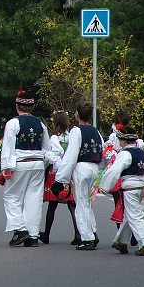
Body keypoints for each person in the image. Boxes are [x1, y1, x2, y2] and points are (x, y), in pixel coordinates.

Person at [98, 125, 144, 256]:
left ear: (123, 140)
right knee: (129, 214)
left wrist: (104, 187)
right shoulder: (141, 153)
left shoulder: (124, 154)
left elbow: (114, 171)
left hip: (130, 188)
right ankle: (121, 242)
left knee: (134, 215)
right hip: (140, 187)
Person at [1, 89, 52, 247]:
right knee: (34, 199)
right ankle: (33, 235)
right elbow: (47, 147)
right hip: (37, 164)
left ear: (17, 106)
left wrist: (6, 167)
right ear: (32, 106)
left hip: (20, 163)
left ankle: (20, 229)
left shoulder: (13, 123)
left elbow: (7, 146)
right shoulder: (41, 124)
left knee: (11, 196)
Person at [52, 101, 103, 251]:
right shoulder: (96, 131)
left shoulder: (76, 131)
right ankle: (92, 231)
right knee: (87, 203)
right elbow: (102, 151)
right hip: (94, 167)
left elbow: (71, 156)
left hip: (81, 167)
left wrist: (60, 179)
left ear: (77, 114)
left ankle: (87, 238)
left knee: (81, 204)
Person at [40, 110, 80, 245]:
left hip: (56, 171)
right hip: (70, 170)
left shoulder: (54, 138)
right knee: (72, 204)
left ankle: (46, 234)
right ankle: (78, 233)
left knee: (52, 204)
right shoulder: (71, 137)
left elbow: (55, 153)